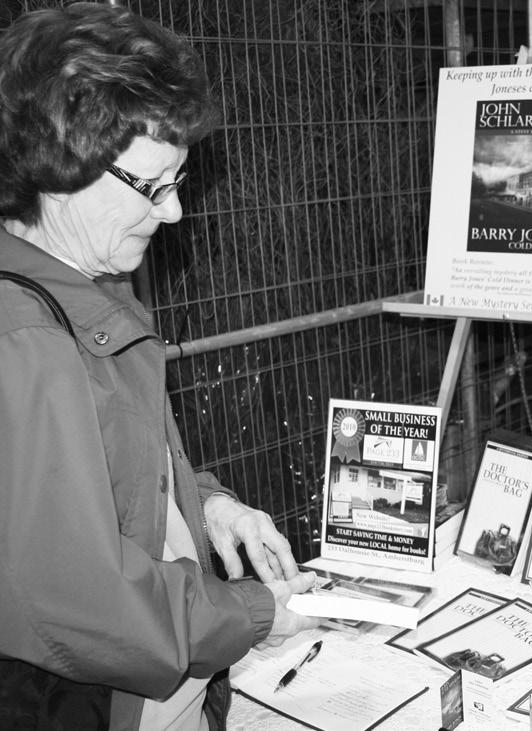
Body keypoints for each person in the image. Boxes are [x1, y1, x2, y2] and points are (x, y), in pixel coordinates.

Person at [0, 5, 321, 729]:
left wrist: (206, 506)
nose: (173, 213)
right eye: (153, 185)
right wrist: (252, 612)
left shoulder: (91, 286)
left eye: (179, 181)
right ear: (59, 167)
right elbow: (77, 597)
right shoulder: (25, 340)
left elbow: (112, 473)